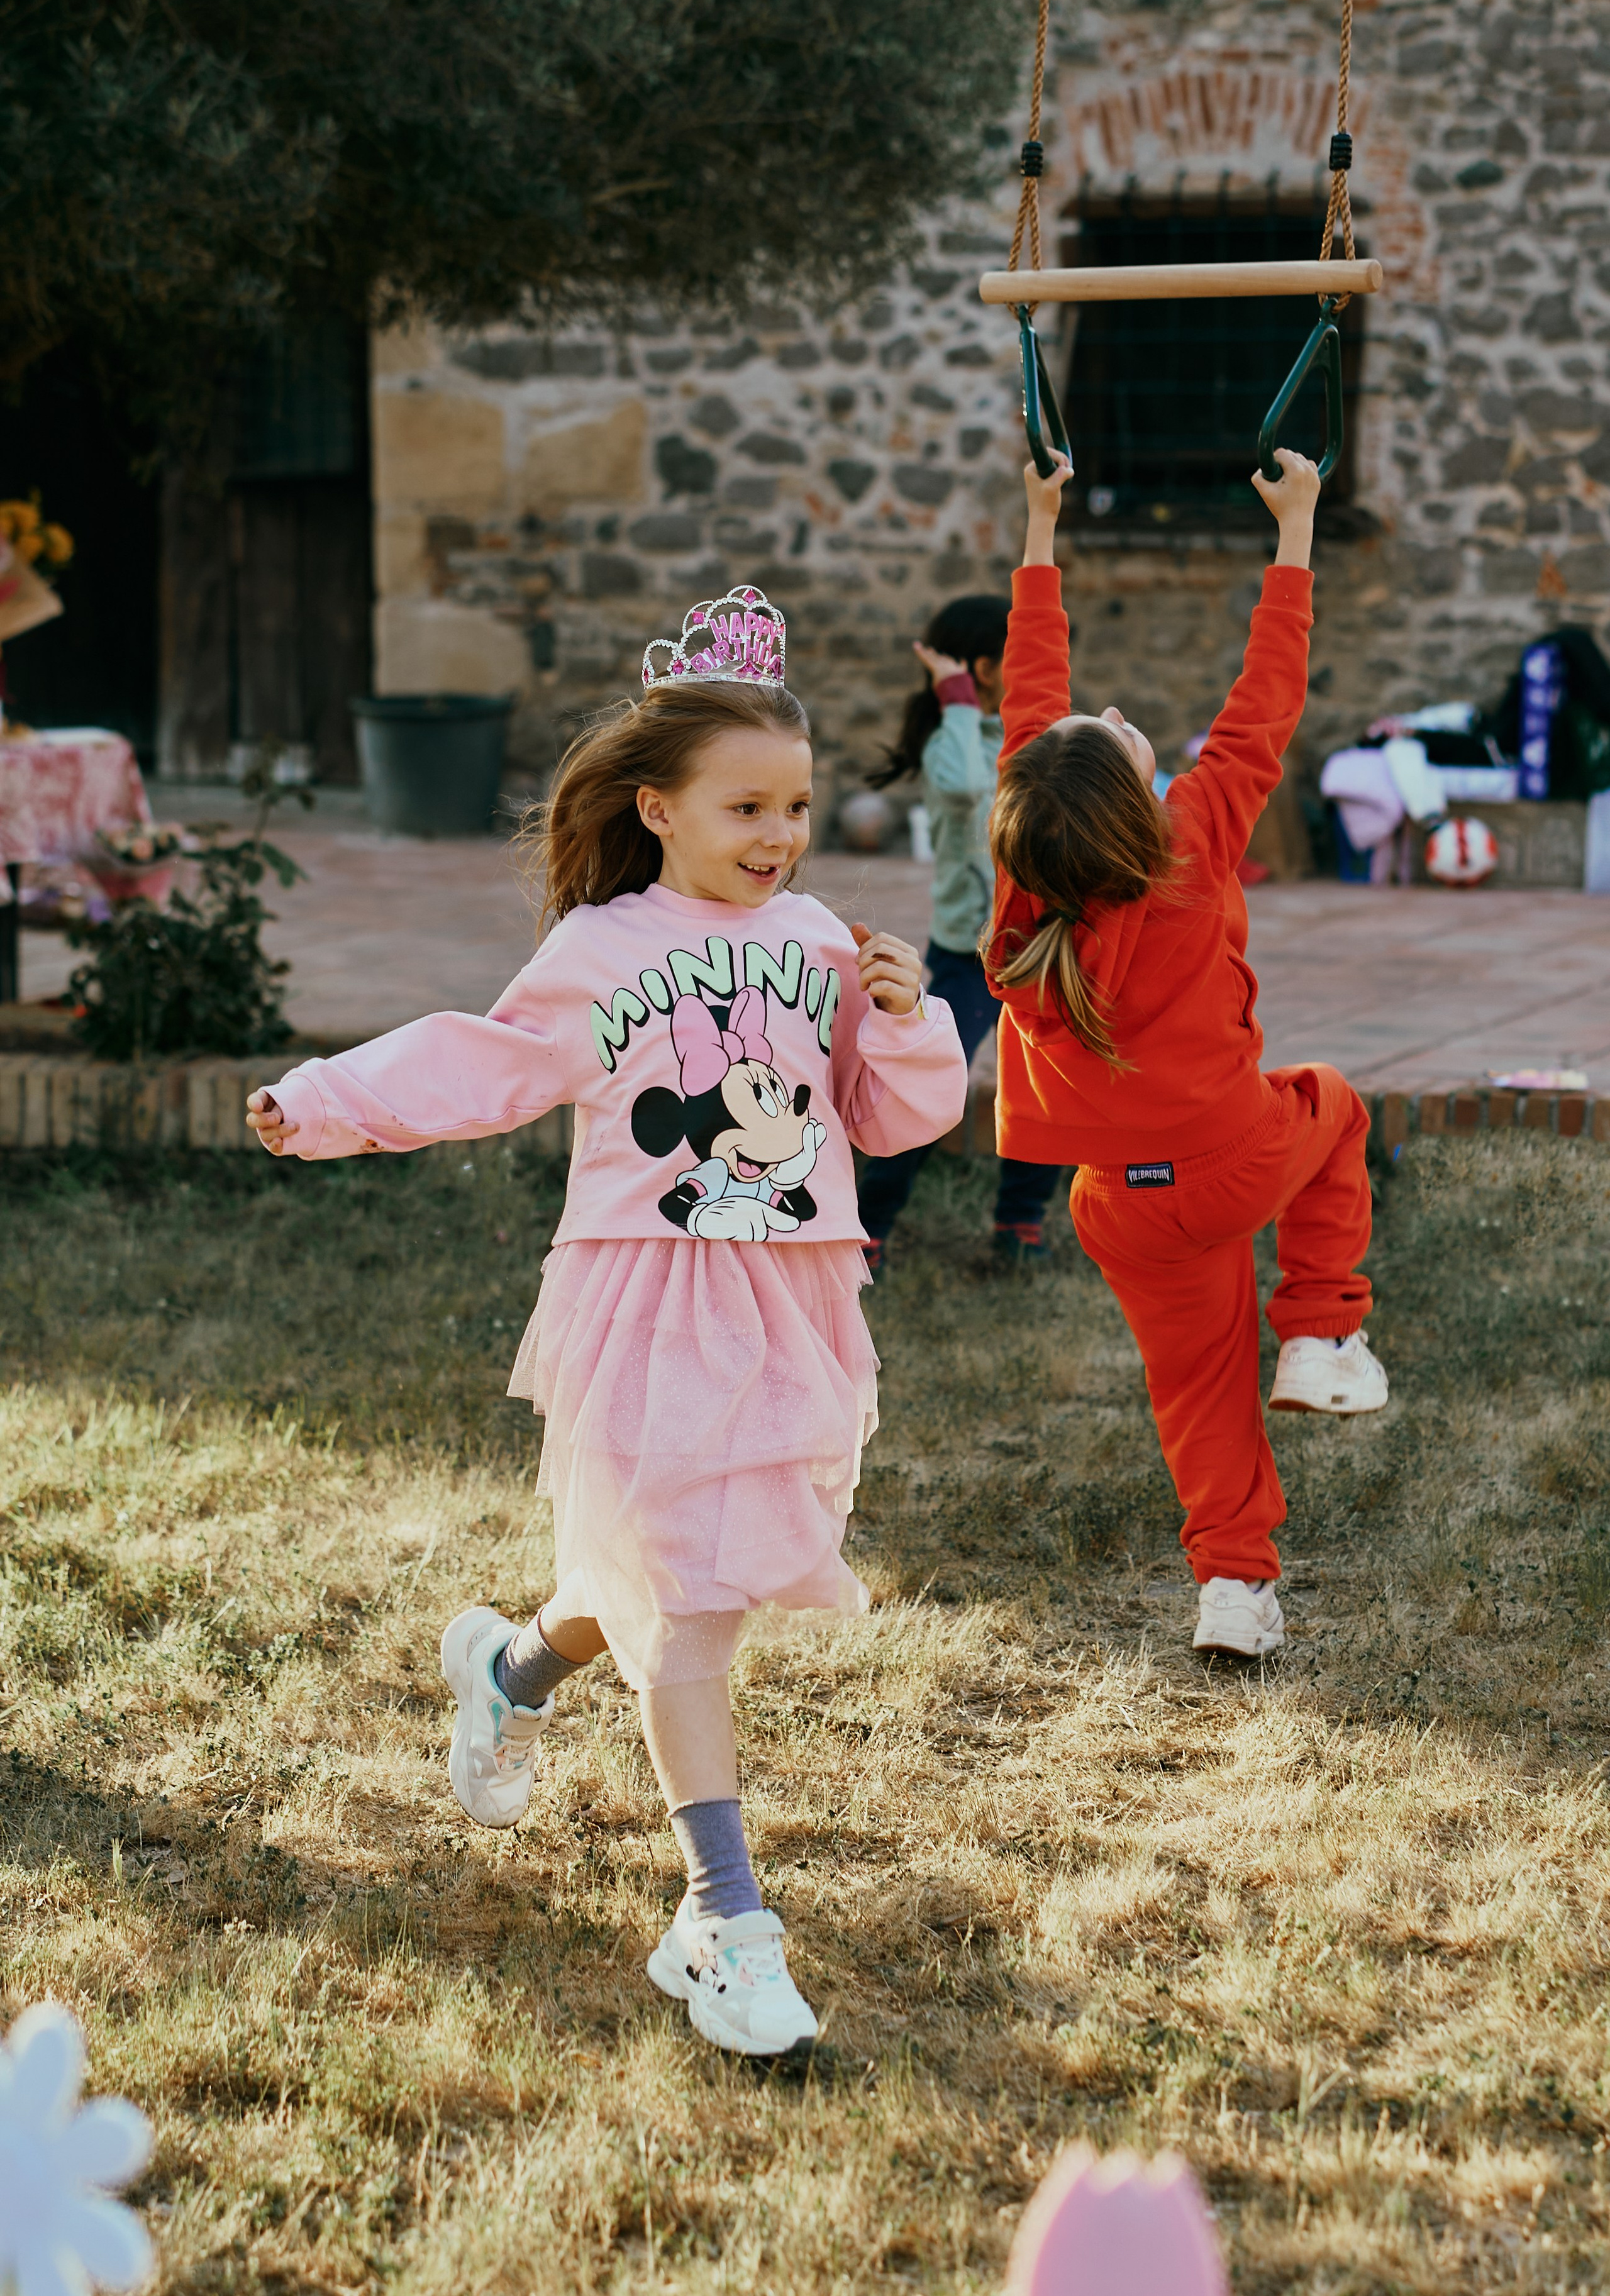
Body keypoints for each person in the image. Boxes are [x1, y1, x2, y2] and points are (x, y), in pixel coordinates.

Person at [243, 585, 967, 2056]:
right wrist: (323, 1100)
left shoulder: (821, 939)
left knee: (684, 1572)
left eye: (796, 807)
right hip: (647, 1295)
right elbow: (484, 1060)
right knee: (685, 1601)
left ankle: (506, 1673)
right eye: (745, 807)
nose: (777, 835)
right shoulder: (602, 948)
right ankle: (723, 1922)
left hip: (789, 1298)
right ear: (657, 808)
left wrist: (901, 1017)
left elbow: (892, 1117)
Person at [985, 451, 1387, 1662]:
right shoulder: (1193, 839)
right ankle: (1320, 1332)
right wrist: (1296, 530)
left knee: (1200, 1390)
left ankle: (1233, 1593)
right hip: (1235, 1156)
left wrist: (1042, 527)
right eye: (1106, 731)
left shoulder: (1026, 890)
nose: (1107, 711)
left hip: (1123, 1206)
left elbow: (1030, 706)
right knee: (1336, 1104)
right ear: (1134, 795)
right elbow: (1267, 697)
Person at [858, 597, 1061, 1272]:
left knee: (1046, 1086)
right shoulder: (953, 739)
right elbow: (971, 786)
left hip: (1036, 946)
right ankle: (867, 1230)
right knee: (929, 1084)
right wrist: (957, 700)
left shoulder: (1032, 732)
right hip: (969, 952)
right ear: (984, 668)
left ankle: (1020, 1222)